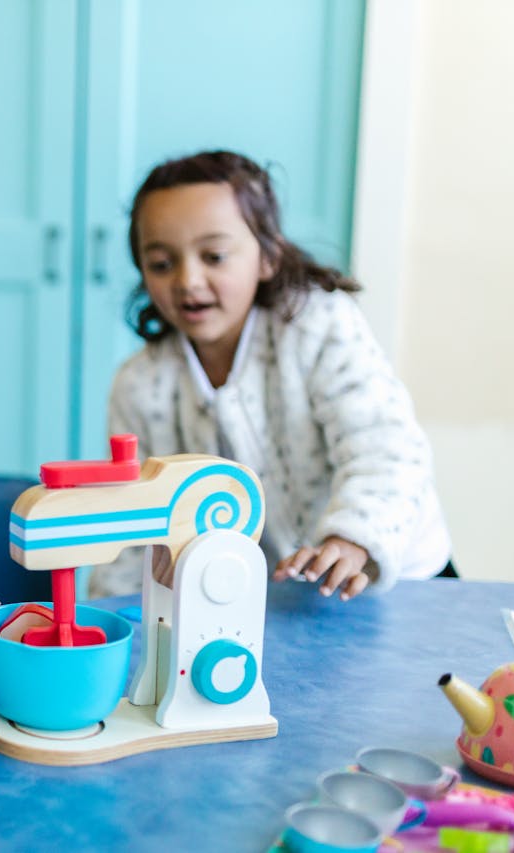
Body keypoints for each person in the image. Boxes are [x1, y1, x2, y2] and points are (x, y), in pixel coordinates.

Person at [89, 150, 451, 602]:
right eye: (162, 263)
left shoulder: (318, 325)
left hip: (391, 578)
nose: (189, 280)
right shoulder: (140, 383)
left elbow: (386, 447)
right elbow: (135, 526)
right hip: (270, 598)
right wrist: (113, 615)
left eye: (214, 256)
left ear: (268, 255)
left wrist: (354, 538)